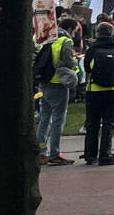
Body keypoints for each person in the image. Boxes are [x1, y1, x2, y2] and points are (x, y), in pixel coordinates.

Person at [83, 21, 114, 165]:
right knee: (108, 123)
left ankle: (90, 155)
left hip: (94, 90)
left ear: (97, 33)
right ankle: (105, 154)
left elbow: (87, 68)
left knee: (92, 123)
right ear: (112, 33)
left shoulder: (92, 49)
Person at [35, 17, 78, 166]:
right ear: (71, 28)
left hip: (44, 81)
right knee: (58, 119)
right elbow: (68, 61)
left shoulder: (47, 37)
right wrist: (75, 61)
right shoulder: (65, 41)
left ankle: (40, 152)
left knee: (44, 117)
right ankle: (55, 153)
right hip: (58, 82)